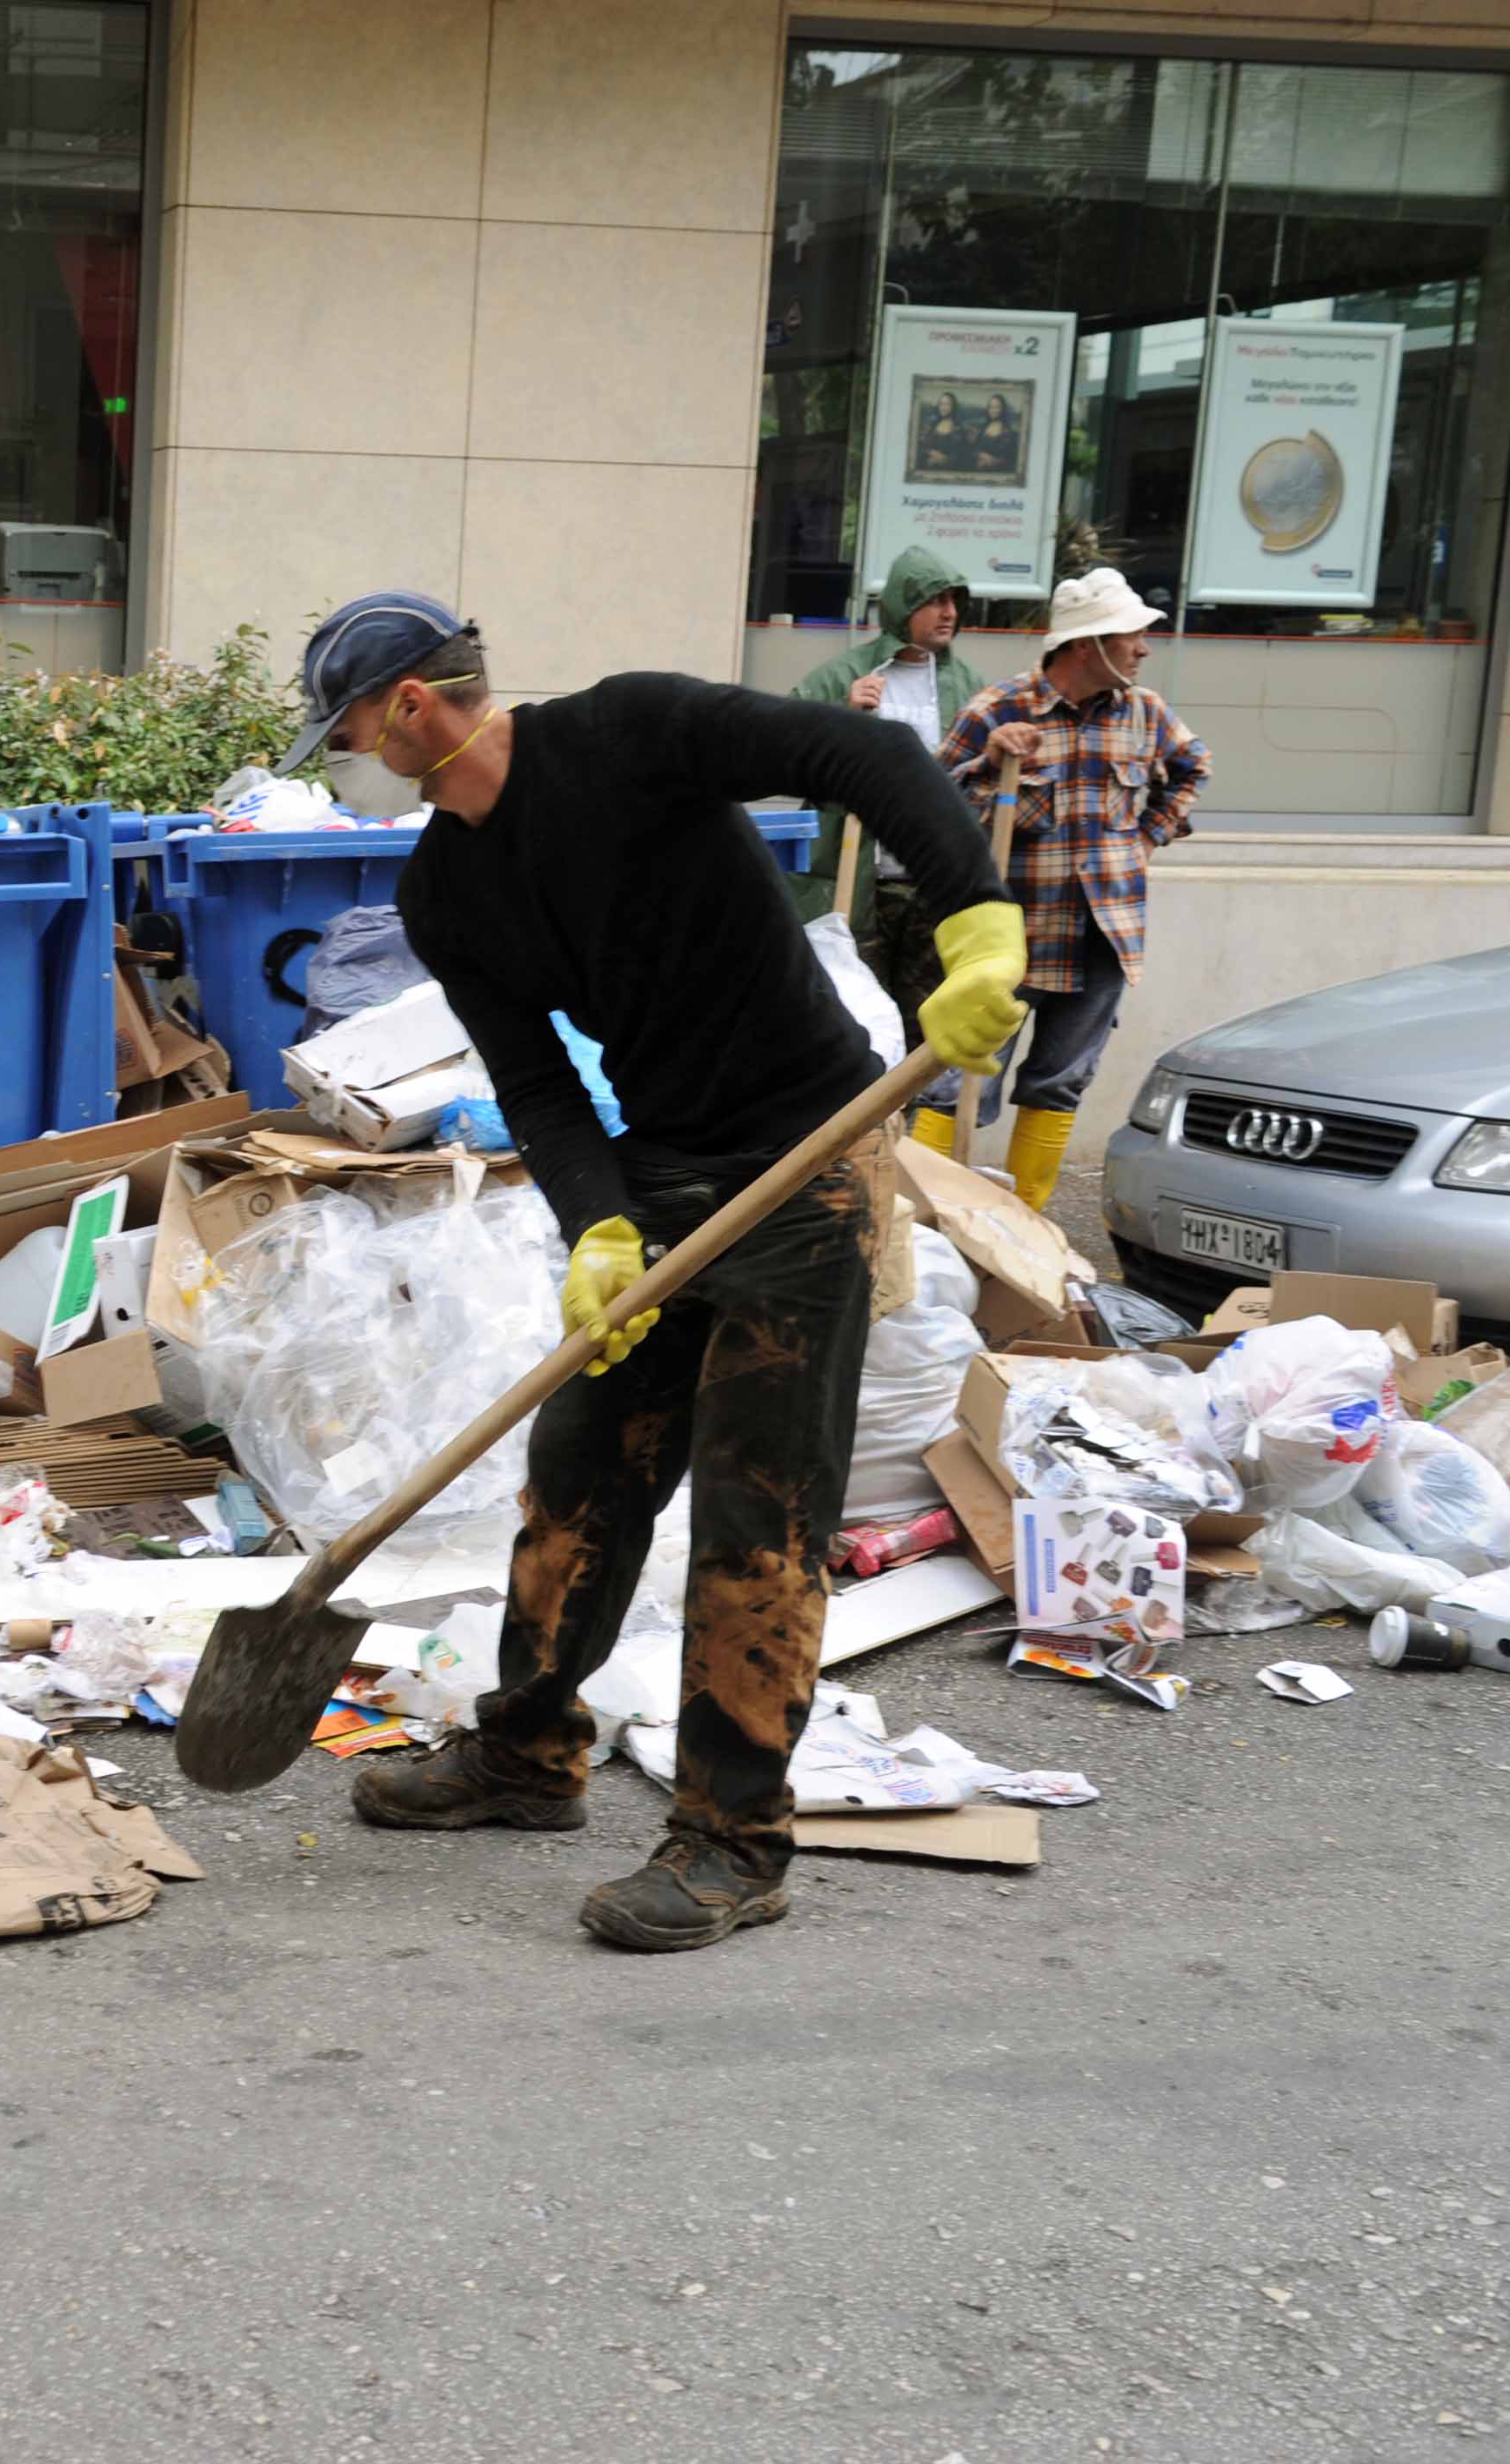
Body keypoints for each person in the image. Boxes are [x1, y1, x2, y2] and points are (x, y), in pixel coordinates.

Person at [295, 590, 1026, 1952]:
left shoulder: (630, 732)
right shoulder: (443, 888)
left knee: (763, 1517)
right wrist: (599, 1227)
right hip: (668, 1167)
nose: (342, 750)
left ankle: (732, 1843)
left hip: (813, 1154)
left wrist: (975, 920)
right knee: (577, 1474)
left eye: (344, 724)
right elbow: (536, 1086)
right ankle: (526, 1756)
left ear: (409, 706)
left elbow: (867, 760)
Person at [934, 566, 1210, 1211]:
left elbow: (1194, 767)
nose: (1144, 649)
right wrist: (988, 764)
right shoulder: (998, 709)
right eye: (1133, 637)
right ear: (1088, 645)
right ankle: (930, 1226)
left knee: (1059, 1084)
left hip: (1100, 934)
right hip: (1008, 932)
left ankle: (1023, 1229)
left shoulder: (1146, 714)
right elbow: (930, 803)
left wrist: (1147, 838)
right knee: (957, 1083)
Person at [789, 549, 986, 1140]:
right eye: (933, 600)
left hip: (932, 882)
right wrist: (841, 719)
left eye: (954, 600)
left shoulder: (969, 688)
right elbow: (781, 757)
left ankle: (914, 1159)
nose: (947, 613)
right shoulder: (840, 677)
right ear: (902, 605)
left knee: (926, 1029)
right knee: (856, 1021)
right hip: (858, 882)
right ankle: (852, 1146)